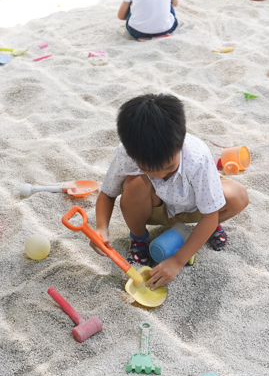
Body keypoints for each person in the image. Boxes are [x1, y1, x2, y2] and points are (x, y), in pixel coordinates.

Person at [92, 94, 249, 290]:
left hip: (195, 205)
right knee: (135, 184)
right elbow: (107, 194)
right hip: (153, 207)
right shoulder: (126, 153)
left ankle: (208, 229)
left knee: (238, 196)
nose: (160, 175)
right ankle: (139, 239)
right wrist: (101, 228)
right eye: (149, 170)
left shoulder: (197, 156)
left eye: (170, 167)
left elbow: (209, 214)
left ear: (182, 135)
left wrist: (177, 261)